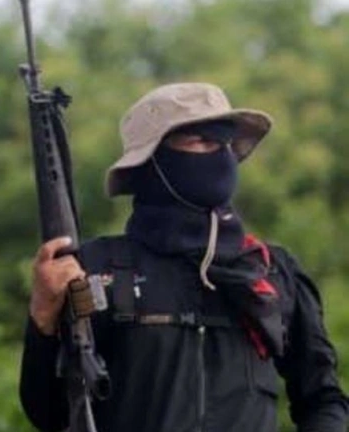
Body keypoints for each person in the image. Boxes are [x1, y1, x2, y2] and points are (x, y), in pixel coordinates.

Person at [19, 82, 348, 432]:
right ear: (152, 162)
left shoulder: (272, 270)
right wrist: (43, 319)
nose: (217, 154)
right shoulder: (96, 268)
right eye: (198, 141)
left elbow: (322, 399)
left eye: (223, 142)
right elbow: (51, 413)